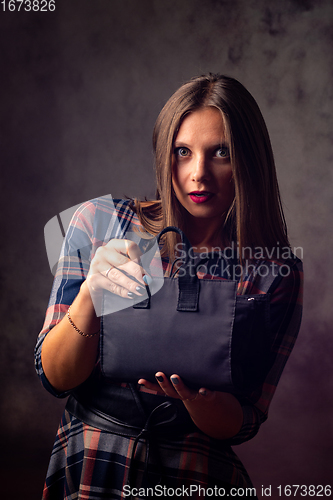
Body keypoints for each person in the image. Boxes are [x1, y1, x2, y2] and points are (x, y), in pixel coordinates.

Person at [35, 74, 303, 499]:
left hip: (198, 473)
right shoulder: (99, 223)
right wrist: (89, 294)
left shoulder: (273, 270)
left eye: (221, 153)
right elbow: (54, 377)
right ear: (165, 154)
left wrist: (203, 404)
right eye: (183, 152)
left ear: (249, 160)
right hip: (91, 460)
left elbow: (249, 418)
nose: (199, 173)